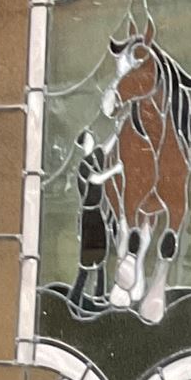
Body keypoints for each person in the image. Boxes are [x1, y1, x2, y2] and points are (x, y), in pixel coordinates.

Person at [66, 131, 119, 316]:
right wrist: (114, 170)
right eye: (89, 138)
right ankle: (75, 298)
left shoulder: (95, 156)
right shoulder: (84, 165)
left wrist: (117, 129)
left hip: (98, 213)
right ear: (84, 144)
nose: (93, 139)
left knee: (102, 256)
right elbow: (96, 179)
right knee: (87, 261)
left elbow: (105, 148)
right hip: (89, 216)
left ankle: (100, 296)